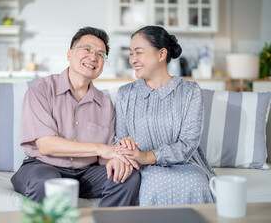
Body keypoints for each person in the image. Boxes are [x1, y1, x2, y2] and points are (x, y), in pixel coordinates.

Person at [11, 26, 140, 207]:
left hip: (86, 174)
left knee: (127, 176)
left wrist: (117, 157)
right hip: (42, 167)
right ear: (69, 54)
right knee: (46, 182)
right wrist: (101, 149)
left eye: (100, 54)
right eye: (87, 49)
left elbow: (103, 158)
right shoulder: (41, 89)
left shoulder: (104, 103)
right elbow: (46, 145)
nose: (93, 57)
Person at [114, 25, 215, 206]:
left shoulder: (190, 91)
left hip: (186, 165)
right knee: (151, 184)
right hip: (143, 169)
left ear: (161, 54)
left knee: (196, 183)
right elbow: (119, 139)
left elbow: (188, 143)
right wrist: (124, 145)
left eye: (139, 52)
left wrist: (145, 156)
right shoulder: (125, 94)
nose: (133, 60)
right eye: (131, 54)